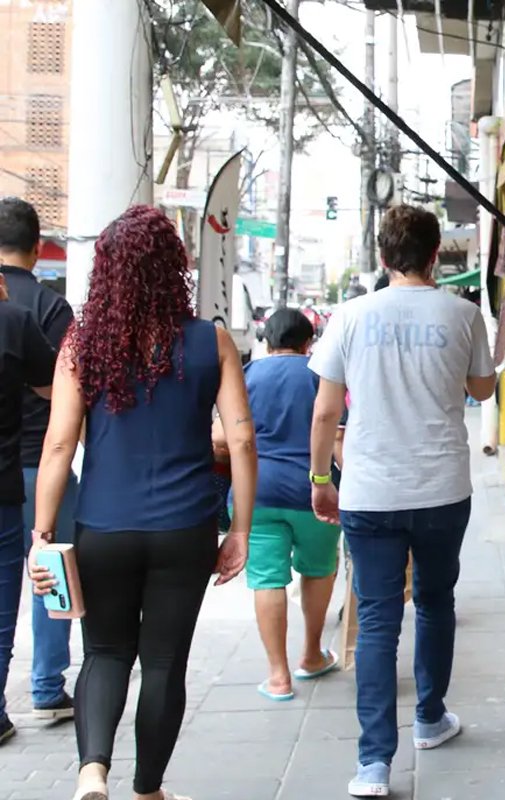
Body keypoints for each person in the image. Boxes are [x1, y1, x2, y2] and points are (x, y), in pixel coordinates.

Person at [28, 205, 257, 800]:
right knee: (163, 665)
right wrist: (239, 529)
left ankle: (91, 773)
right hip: (185, 528)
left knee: (104, 652)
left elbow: (58, 444)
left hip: (104, 524)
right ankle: (148, 789)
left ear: (105, 271)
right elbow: (242, 439)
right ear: (172, 269)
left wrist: (42, 533)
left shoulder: (82, 344)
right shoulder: (213, 341)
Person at [307, 204, 496, 798]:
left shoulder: (350, 316)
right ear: (436, 254)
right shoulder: (463, 314)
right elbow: (482, 387)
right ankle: (430, 717)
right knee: (437, 602)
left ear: (384, 257)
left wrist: (319, 479)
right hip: (442, 489)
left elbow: (325, 410)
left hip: (370, 491)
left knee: (378, 619)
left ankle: (372, 765)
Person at [213, 308, 340, 702]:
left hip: (257, 494)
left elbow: (220, 437)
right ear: (308, 342)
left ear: (266, 341)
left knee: (268, 579)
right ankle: (311, 655)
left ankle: (278, 675)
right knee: (318, 570)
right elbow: (337, 435)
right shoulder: (321, 375)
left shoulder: (247, 374)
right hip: (314, 492)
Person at [0, 197, 77, 722]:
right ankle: (48, 686)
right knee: (52, 569)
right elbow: (67, 392)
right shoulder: (53, 307)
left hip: (9, 471)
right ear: (35, 245)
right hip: (43, 465)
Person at [0, 271, 55, 745]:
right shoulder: (16, 318)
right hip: (10, 479)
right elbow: (55, 388)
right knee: (6, 606)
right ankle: (31, 696)